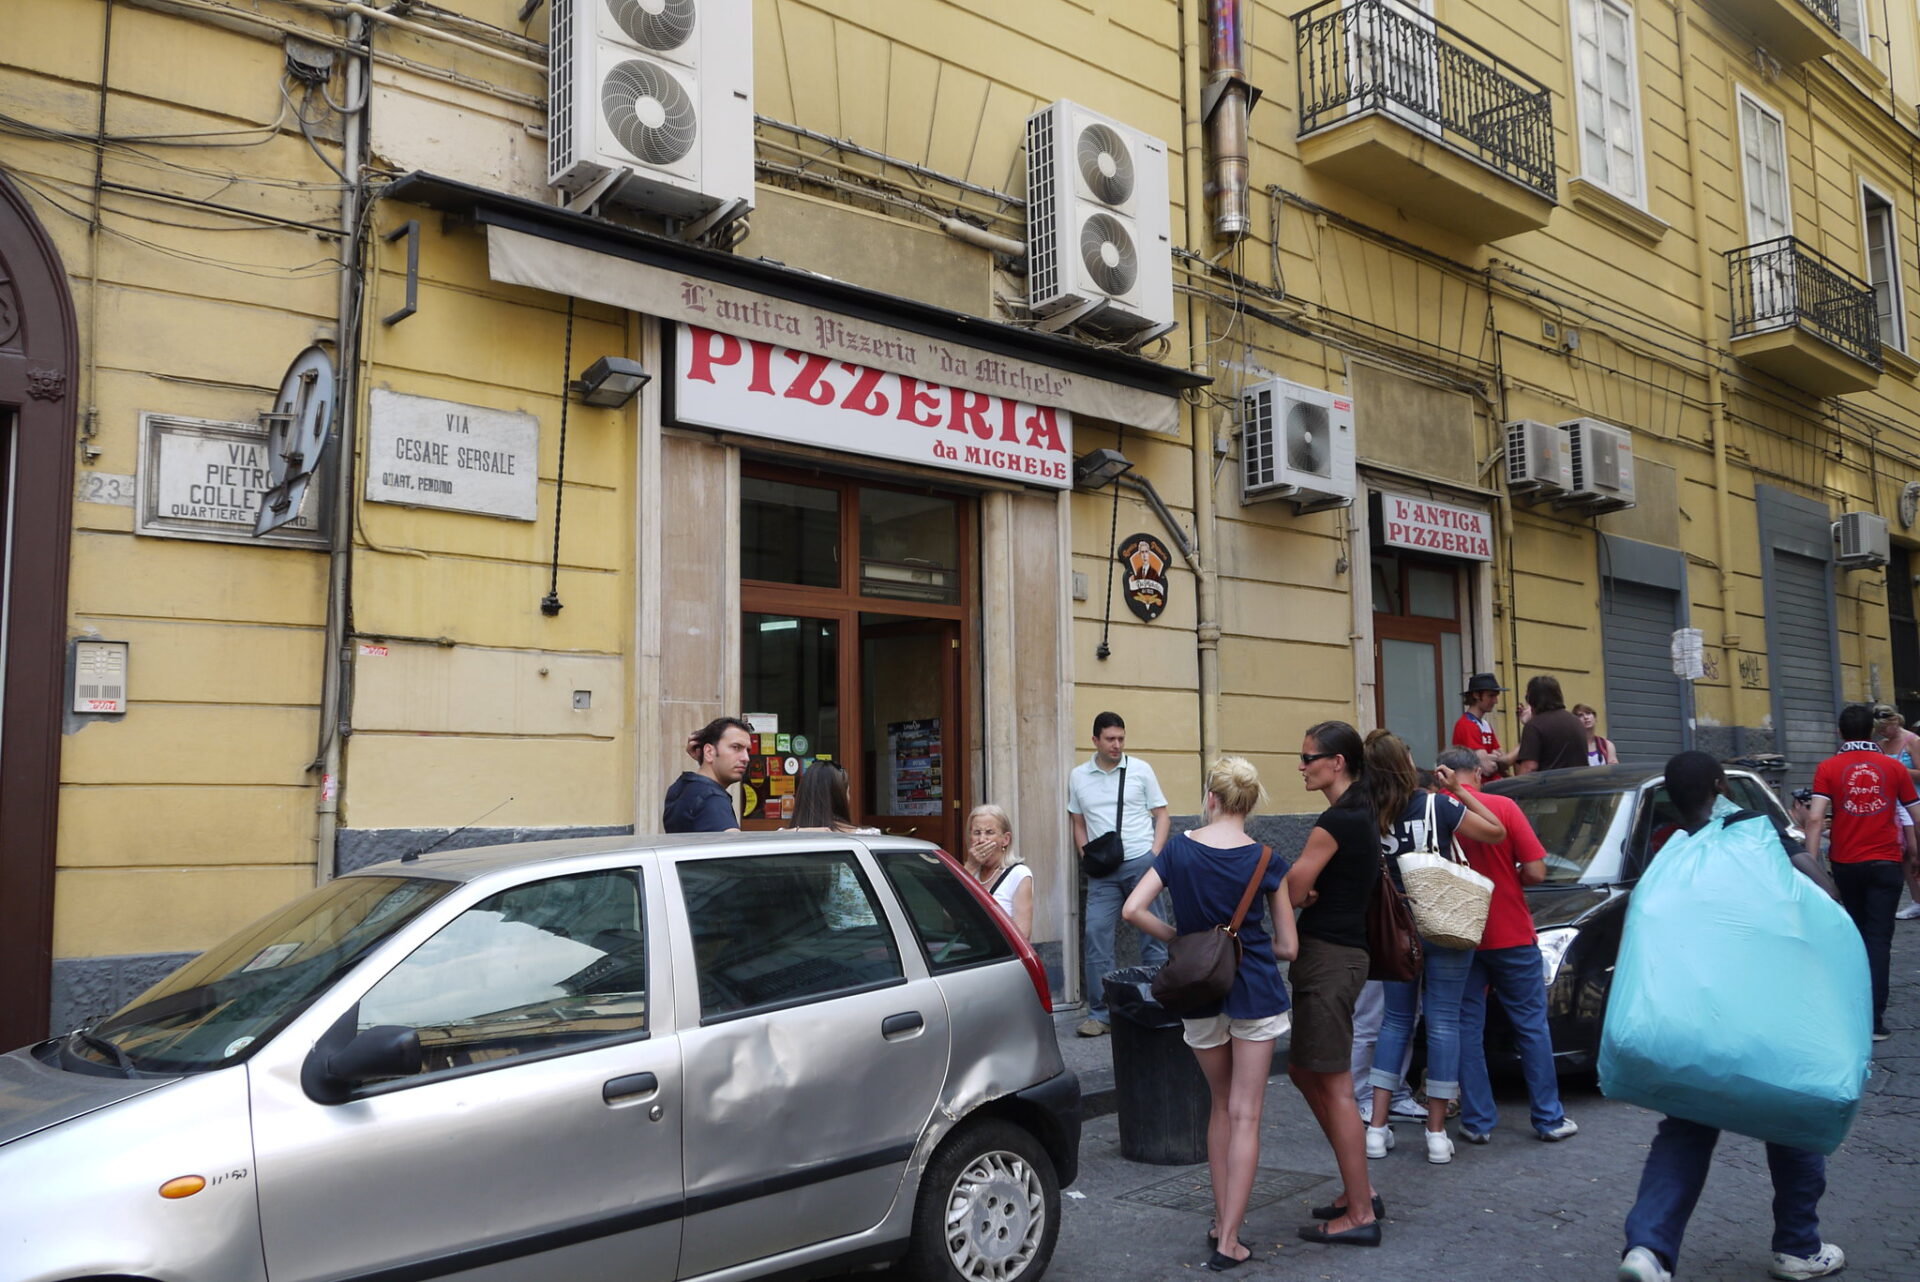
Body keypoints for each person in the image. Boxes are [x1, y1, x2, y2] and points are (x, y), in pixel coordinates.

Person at [1617, 752, 1847, 1282]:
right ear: (1721, 786)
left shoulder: (1673, 853)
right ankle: (1797, 1247)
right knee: (1793, 1114)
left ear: (1672, 800)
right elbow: (1818, 888)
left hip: (1694, 1018)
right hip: (1766, 1010)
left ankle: (1648, 1250)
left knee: (1685, 1128)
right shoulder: (1757, 833)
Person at [1123, 757, 1297, 1272]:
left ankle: (1221, 1221)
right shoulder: (1267, 859)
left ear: (1211, 798)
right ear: (1248, 803)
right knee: (1247, 1114)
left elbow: (1133, 909)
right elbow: (1288, 945)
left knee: (1219, 1106)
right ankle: (1231, 1240)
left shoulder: (1178, 849)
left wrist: (1185, 942)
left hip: (1199, 991)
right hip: (1256, 993)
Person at [1361, 731, 1507, 1166]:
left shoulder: (1366, 812)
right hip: (1442, 920)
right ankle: (1437, 1134)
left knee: (1395, 1021)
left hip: (1393, 928)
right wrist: (1458, 789)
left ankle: (1376, 1128)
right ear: (1404, 763)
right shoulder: (1434, 803)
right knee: (1444, 1022)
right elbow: (1495, 833)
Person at [1434, 747, 1579, 1145]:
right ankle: (1548, 1118)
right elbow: (1535, 870)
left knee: (1466, 1026)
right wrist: (1510, 876)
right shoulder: (1504, 807)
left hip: (1459, 932)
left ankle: (1478, 1121)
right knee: (1531, 1025)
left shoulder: (1434, 812)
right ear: (1477, 774)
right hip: (1511, 929)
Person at [1283, 720, 1383, 1248]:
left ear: (1336, 762)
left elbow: (1295, 887)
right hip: (1341, 958)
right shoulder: (1360, 810)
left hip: (1330, 960)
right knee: (1303, 1070)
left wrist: (1303, 890)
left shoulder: (1335, 820)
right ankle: (1356, 1187)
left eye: (1308, 758)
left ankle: (1360, 1210)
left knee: (1336, 1085)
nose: (1301, 766)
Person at [1805, 703, 1920, 1042]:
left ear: (1840, 733)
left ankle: (1852, 1012)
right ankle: (1875, 1021)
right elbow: (1916, 816)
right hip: (1886, 862)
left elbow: (1814, 819)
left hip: (1846, 864)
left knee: (1853, 936)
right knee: (1879, 940)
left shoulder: (1827, 767)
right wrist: (1917, 855)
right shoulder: (1892, 768)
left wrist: (1811, 866)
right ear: (1871, 732)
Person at [1067, 711, 1170, 1037]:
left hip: (1141, 861)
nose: (1117, 745)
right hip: (1102, 871)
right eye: (1110, 739)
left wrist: (1154, 854)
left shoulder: (1140, 770)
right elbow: (1077, 820)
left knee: (1153, 935)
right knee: (1096, 936)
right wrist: (1086, 854)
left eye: (1121, 739)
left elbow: (1162, 816)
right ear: (1095, 740)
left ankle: (1161, 1000)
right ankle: (1100, 1014)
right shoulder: (1078, 776)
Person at [663, 716, 752, 832]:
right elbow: (735, 848)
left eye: (748, 751)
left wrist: (705, 759)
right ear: (709, 751)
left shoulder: (680, 787)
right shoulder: (712, 799)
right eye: (736, 747)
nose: (746, 758)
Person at [964, 804, 1033, 941]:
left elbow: (1023, 935)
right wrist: (970, 867)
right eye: (977, 833)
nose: (982, 840)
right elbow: (947, 916)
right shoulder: (969, 871)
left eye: (989, 832)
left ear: (1005, 840)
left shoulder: (1018, 874)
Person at [1513, 675, 1587, 773]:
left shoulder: (1534, 726)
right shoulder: (1576, 722)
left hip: (1550, 786)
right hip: (1579, 785)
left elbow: (1529, 768)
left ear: (1532, 700)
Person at [1451, 673, 1513, 778]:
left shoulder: (1485, 724)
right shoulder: (1466, 724)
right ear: (1476, 695)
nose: (1495, 701)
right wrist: (1495, 758)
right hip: (1478, 788)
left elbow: (1503, 763)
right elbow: (1488, 768)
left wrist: (1492, 758)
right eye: (1491, 696)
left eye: (1496, 696)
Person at [788, 760, 873, 833]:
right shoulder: (866, 838)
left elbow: (777, 834)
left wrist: (797, 831)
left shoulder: (783, 838)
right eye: (848, 792)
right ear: (840, 797)